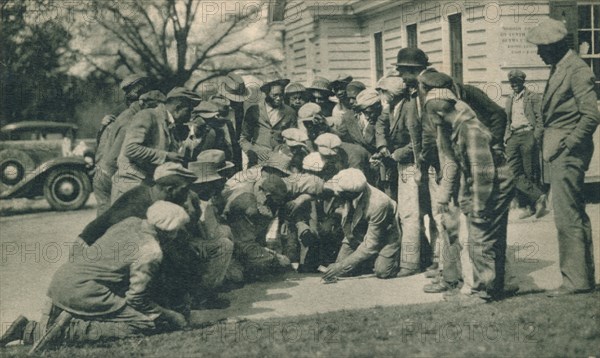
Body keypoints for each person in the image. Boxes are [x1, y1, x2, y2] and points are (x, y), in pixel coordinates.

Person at [0, 201, 190, 348]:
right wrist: (170, 315)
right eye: (178, 230)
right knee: (143, 324)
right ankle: (32, 331)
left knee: (126, 313)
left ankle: (46, 323)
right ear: (169, 231)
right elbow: (136, 298)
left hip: (63, 279)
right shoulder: (151, 251)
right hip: (83, 291)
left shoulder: (130, 222)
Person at [527, 18, 599, 296]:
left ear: (555, 46)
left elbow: (591, 115)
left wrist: (568, 145)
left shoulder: (576, 70)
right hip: (560, 151)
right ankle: (582, 278)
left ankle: (575, 281)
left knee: (567, 216)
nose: (538, 53)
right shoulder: (560, 67)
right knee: (573, 214)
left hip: (569, 154)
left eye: (541, 48)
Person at [424, 85, 514, 304]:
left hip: (496, 186)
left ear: (438, 114)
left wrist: (478, 207)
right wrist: (464, 199)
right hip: (492, 183)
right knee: (485, 237)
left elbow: (483, 173)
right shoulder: (458, 128)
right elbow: (465, 169)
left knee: (479, 238)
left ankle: (484, 292)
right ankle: (495, 287)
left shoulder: (469, 130)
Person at [112, 87, 200, 202]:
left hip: (144, 185)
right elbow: (130, 149)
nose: (190, 116)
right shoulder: (147, 116)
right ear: (178, 107)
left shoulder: (170, 124)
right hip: (129, 185)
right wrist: (166, 156)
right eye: (189, 111)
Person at [79, 162, 197, 246]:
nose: (187, 196)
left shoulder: (147, 192)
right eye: (184, 190)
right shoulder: (138, 210)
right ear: (170, 190)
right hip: (91, 250)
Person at [322, 168, 401, 280]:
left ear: (350, 194)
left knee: (382, 271)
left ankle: (387, 257)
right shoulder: (350, 188)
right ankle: (367, 260)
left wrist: (341, 266)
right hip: (361, 232)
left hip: (386, 236)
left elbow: (371, 244)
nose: (335, 194)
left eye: (338, 192)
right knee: (340, 270)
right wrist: (341, 265)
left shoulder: (379, 203)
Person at [94, 74, 151, 216]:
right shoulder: (130, 118)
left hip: (102, 171)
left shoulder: (122, 114)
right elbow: (124, 152)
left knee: (105, 218)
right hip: (111, 172)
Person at [504, 69, 547, 219]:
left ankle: (531, 207)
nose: (514, 85)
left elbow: (540, 119)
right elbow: (508, 121)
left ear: (522, 82)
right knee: (513, 172)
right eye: (512, 83)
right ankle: (539, 196)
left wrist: (535, 137)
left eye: (516, 82)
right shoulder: (510, 99)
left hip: (528, 134)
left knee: (529, 172)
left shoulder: (532, 97)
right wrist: (507, 137)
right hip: (513, 136)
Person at [239, 78, 297, 166]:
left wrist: (285, 151)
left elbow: (293, 139)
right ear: (266, 94)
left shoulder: (290, 112)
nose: (279, 98)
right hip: (257, 162)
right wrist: (254, 151)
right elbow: (243, 139)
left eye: (281, 95)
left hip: (280, 162)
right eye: (275, 95)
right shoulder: (254, 111)